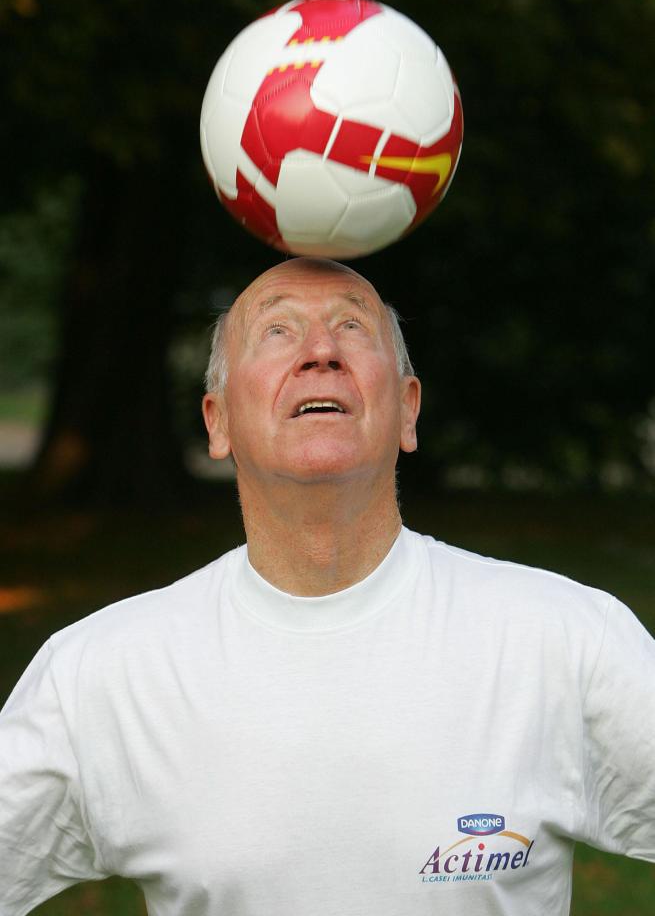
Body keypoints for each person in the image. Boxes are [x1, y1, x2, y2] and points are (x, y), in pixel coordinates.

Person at [1, 256, 654, 916]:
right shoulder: (101, 673)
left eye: (350, 325)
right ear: (218, 420)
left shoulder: (564, 639)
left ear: (406, 409)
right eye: (277, 331)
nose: (320, 352)